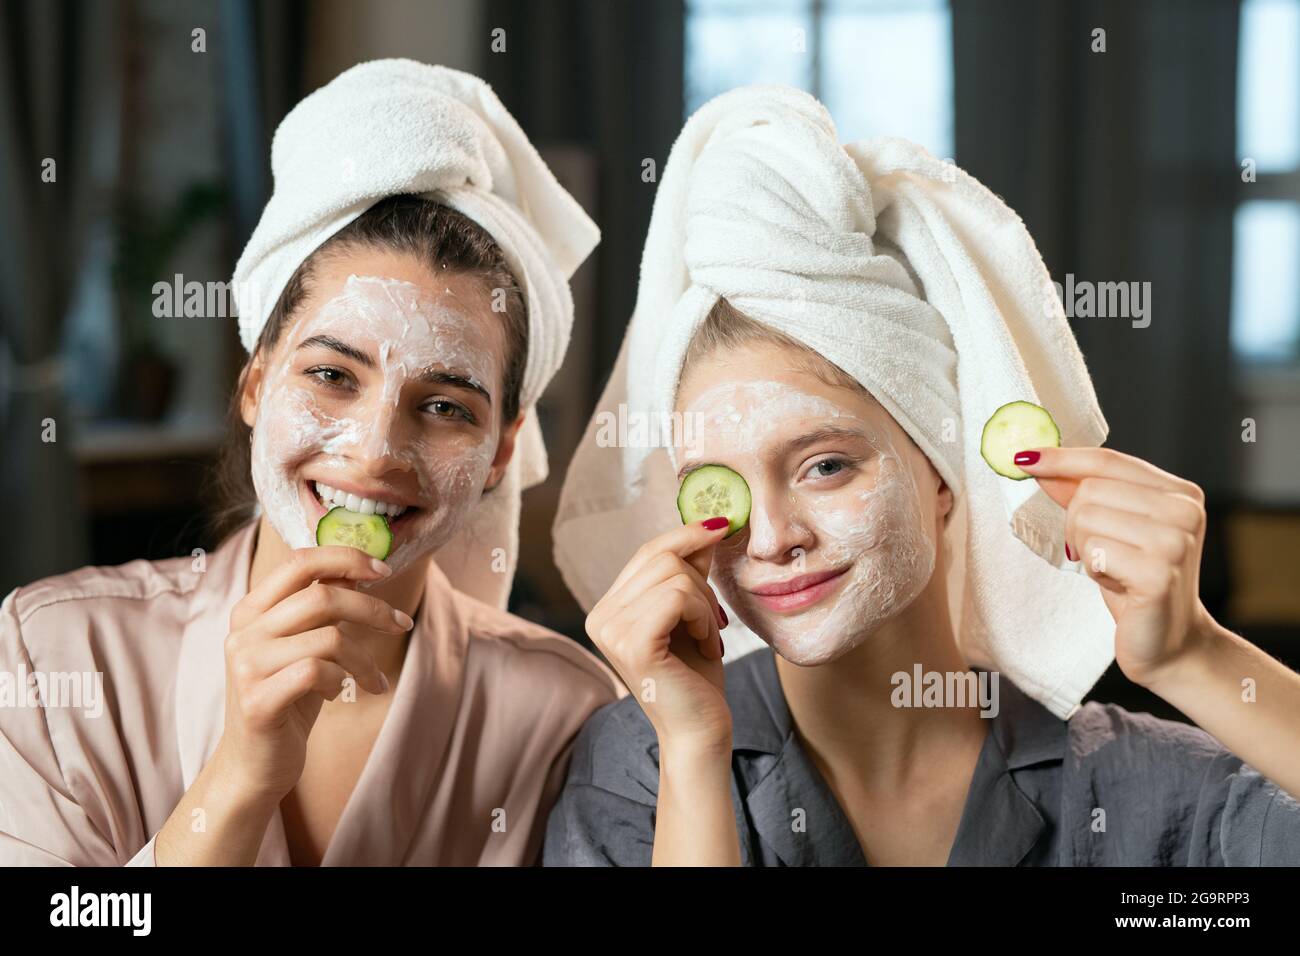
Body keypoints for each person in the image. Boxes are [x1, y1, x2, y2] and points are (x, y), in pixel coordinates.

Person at [542, 85, 1300, 866]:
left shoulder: (1144, 794)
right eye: (716, 489)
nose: (770, 539)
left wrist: (1196, 655)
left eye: (825, 465)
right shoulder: (644, 768)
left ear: (944, 473)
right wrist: (696, 758)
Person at [0, 60, 621, 867]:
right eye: (332, 375)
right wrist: (237, 779)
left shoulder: (563, 713)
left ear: (503, 447)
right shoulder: (52, 658)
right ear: (255, 381)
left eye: (445, 406)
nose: (373, 452)